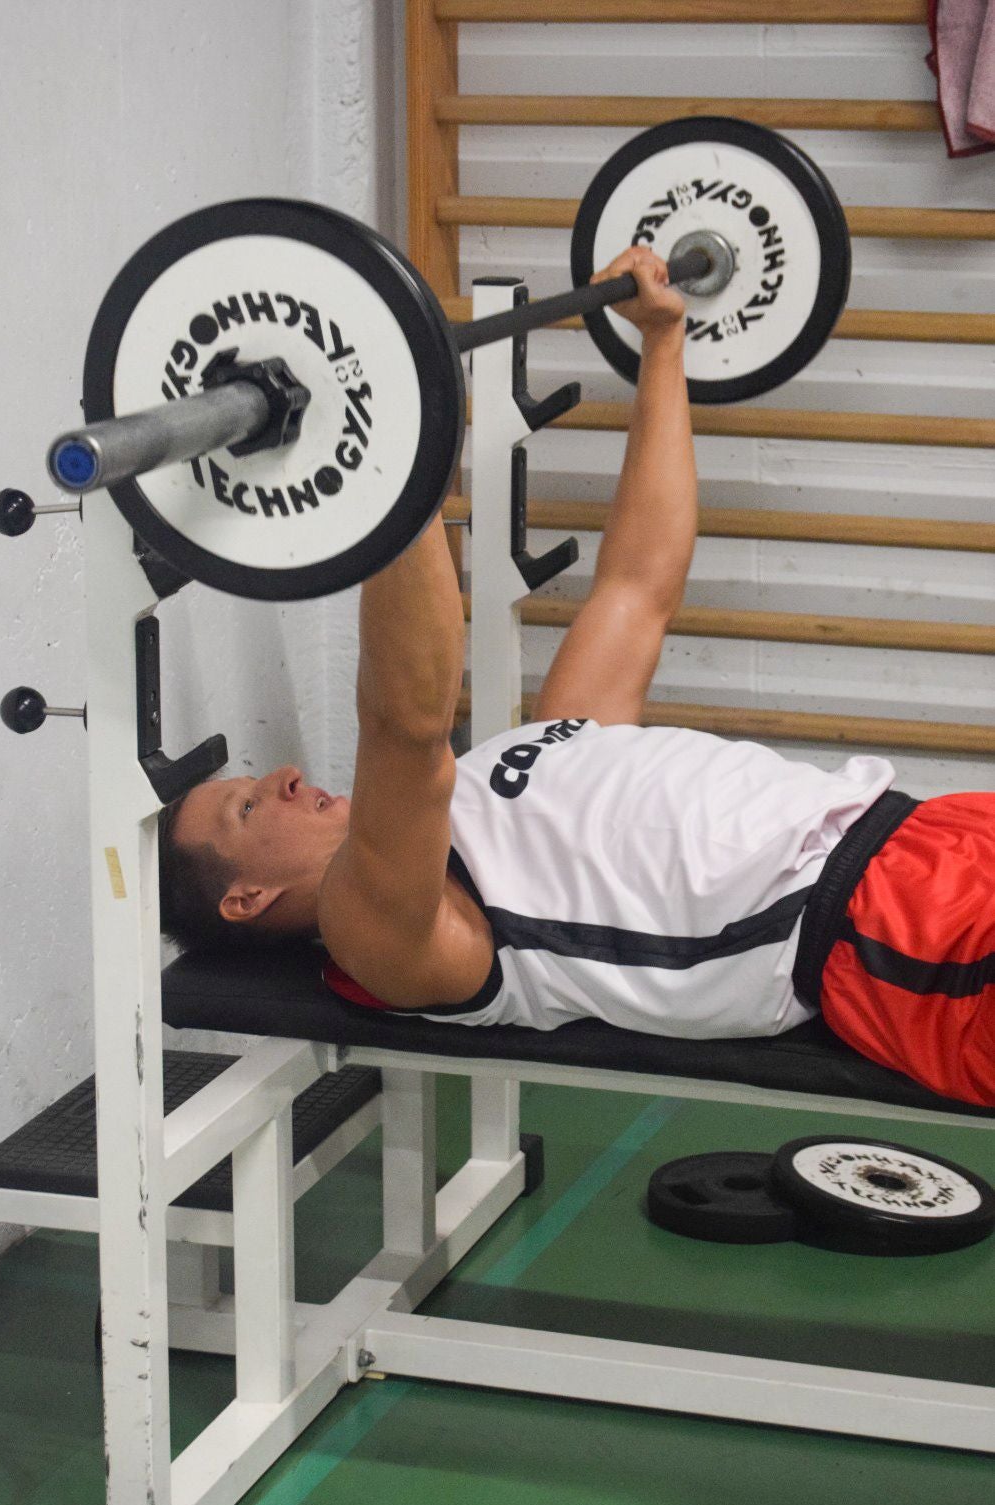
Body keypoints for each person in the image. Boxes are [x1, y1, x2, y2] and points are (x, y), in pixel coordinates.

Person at [159, 247, 995, 1108]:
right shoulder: (377, 934)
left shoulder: (520, 756)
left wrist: (663, 344)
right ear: (247, 899)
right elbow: (407, 728)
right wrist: (386, 456)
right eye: (249, 805)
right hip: (885, 934)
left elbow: (640, 586)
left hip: (940, 833)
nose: (287, 775)